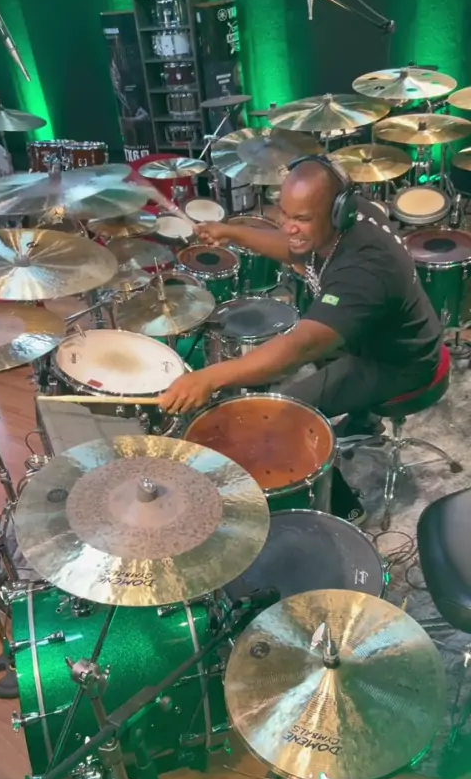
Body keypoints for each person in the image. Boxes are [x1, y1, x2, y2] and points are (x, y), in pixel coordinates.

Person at [157, 156, 442, 524]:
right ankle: (364, 423)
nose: (288, 226)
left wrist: (211, 377)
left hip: (400, 362)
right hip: (375, 335)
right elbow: (296, 247)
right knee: (301, 354)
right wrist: (231, 232)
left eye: (302, 218)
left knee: (289, 412)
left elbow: (301, 347)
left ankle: (345, 508)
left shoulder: (365, 269)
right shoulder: (349, 217)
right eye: (284, 213)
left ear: (336, 211)